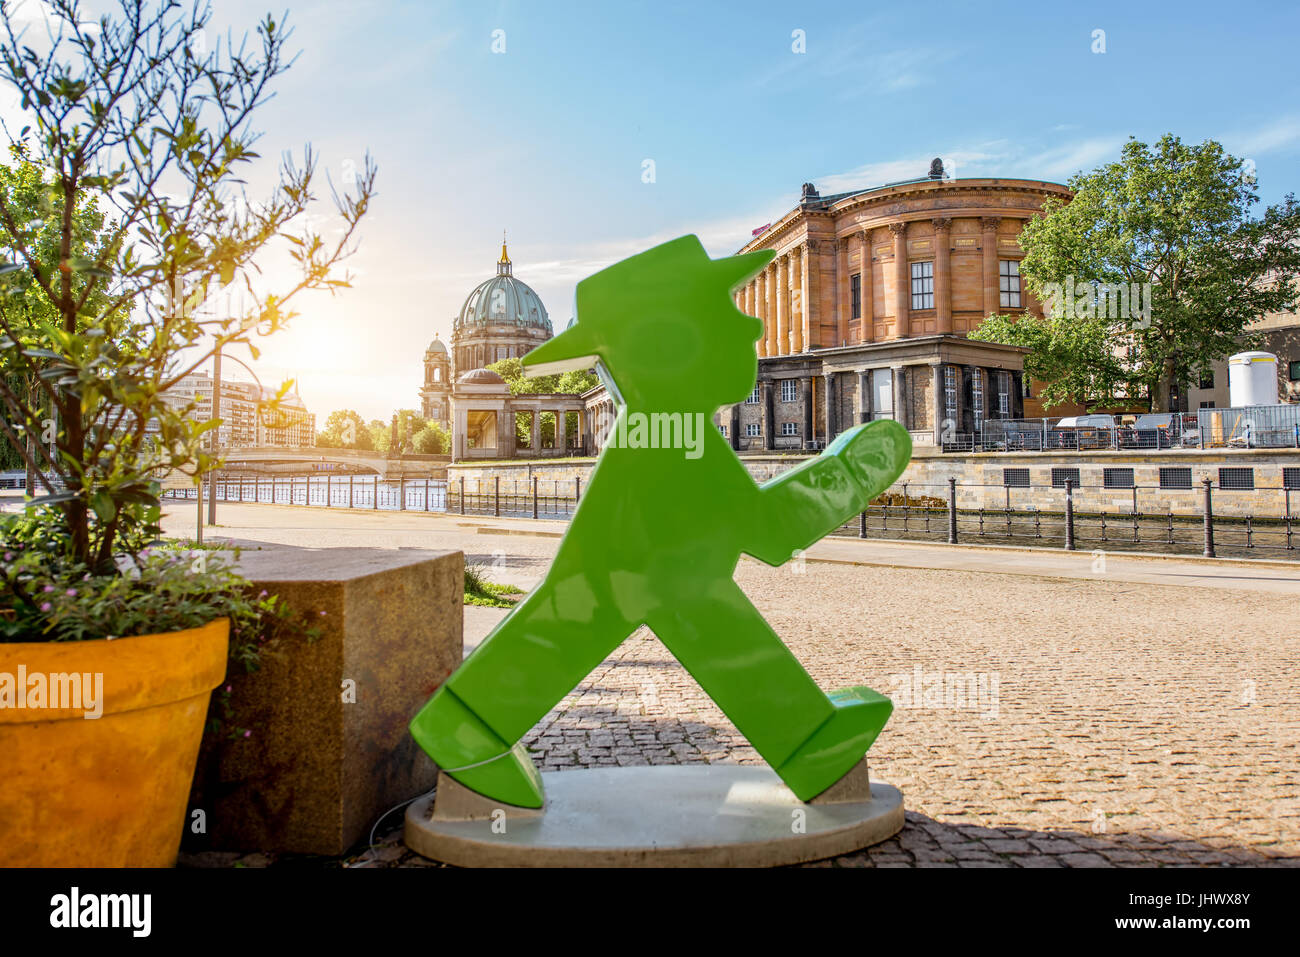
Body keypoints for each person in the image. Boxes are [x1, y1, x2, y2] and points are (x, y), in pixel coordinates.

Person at [410, 235, 911, 807]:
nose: (750, 329)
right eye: (721, 312)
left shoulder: (661, 424)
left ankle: (467, 729)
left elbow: (764, 530)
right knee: (704, 629)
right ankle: (808, 740)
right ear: (671, 343)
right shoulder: (676, 432)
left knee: (674, 628)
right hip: (648, 573)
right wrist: (849, 472)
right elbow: (772, 531)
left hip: (644, 572)